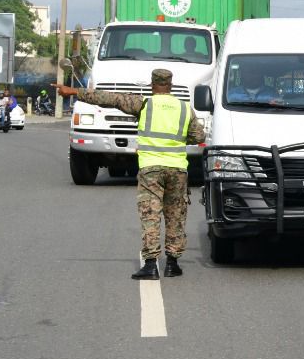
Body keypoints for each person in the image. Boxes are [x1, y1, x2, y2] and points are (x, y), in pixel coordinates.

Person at [58, 68, 204, 280]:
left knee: (150, 215)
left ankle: (151, 265)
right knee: (175, 214)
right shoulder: (184, 108)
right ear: (170, 86)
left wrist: (73, 92)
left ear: (153, 85)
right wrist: (177, 140)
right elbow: (198, 135)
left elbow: (109, 99)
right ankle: (172, 264)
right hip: (177, 168)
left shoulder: (143, 104)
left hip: (150, 168)